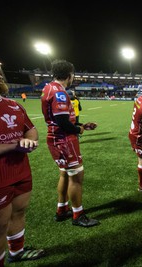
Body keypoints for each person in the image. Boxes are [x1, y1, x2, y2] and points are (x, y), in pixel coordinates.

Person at [0, 58, 45, 266]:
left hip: (21, 172)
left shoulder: (13, 105)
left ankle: (17, 251)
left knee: (19, 212)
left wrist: (30, 141)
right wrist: (14, 145)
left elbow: (30, 128)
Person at [41, 59, 99, 227]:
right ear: (69, 75)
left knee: (65, 174)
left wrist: (82, 126)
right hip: (64, 140)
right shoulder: (59, 91)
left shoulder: (47, 87)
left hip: (56, 138)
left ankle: (61, 210)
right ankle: (78, 215)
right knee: (76, 177)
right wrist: (78, 130)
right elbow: (62, 122)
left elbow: (61, 120)